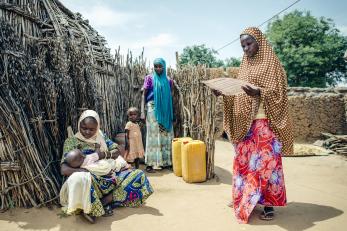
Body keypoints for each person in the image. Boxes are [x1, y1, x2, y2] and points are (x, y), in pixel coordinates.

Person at [214, 27, 293, 223]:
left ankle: (268, 205)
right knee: (243, 162)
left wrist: (259, 93)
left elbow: (279, 94)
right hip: (246, 124)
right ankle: (246, 197)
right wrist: (224, 93)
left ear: (259, 41)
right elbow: (240, 94)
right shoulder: (245, 66)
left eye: (249, 44)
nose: (246, 49)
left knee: (267, 164)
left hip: (266, 123)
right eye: (243, 46)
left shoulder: (273, 65)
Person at [60, 110, 153, 223]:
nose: (87, 132)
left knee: (138, 175)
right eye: (84, 128)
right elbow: (64, 169)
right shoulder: (71, 142)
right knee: (78, 179)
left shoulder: (101, 136)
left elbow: (117, 151)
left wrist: (100, 155)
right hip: (92, 179)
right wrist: (87, 171)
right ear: (79, 124)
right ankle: (92, 206)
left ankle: (104, 201)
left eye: (92, 129)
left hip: (110, 174)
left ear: (97, 127)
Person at [141, 58, 174, 173]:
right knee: (153, 136)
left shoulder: (169, 80)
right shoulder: (149, 78)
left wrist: (169, 111)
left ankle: (166, 162)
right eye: (156, 66)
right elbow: (143, 95)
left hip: (165, 111)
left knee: (166, 134)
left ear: (164, 67)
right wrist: (142, 111)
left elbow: (170, 96)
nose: (158, 68)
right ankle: (151, 163)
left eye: (160, 66)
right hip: (152, 109)